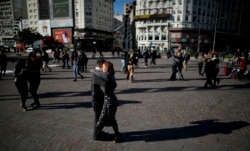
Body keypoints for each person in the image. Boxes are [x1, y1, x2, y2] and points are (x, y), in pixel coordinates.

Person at [95, 61, 122, 143]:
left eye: (103, 67)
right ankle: (99, 132)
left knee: (109, 119)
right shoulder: (110, 76)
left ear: (107, 69)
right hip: (110, 100)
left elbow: (98, 74)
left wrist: (93, 70)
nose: (102, 68)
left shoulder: (107, 76)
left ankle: (116, 135)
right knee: (106, 118)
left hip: (110, 101)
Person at [90, 59, 107, 140]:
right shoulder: (97, 74)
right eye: (104, 65)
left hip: (97, 98)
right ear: (101, 65)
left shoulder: (96, 72)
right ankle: (96, 135)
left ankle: (99, 132)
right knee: (97, 118)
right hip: (97, 99)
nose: (105, 66)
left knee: (99, 117)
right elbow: (105, 83)